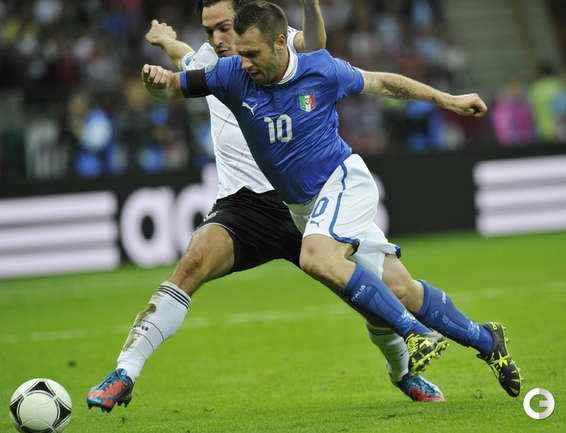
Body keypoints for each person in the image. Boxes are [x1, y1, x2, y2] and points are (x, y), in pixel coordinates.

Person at [141, 0, 523, 398]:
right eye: (239, 52)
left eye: (252, 53)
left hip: (342, 183)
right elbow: (175, 82)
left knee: (316, 257)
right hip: (304, 208)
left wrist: (448, 100)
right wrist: (158, 75)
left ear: (278, 43)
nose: (244, 61)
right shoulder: (231, 72)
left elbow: (382, 82)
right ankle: (487, 339)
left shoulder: (320, 69)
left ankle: (415, 333)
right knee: (401, 290)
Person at [86, 0, 445, 413]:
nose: (217, 39)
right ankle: (125, 371)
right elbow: (183, 64)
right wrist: (167, 43)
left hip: (310, 202)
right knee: (191, 264)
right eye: (208, 31)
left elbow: (315, 44)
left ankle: (403, 372)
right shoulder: (215, 64)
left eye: (224, 28)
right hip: (244, 207)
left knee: (384, 295)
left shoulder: (279, 43)